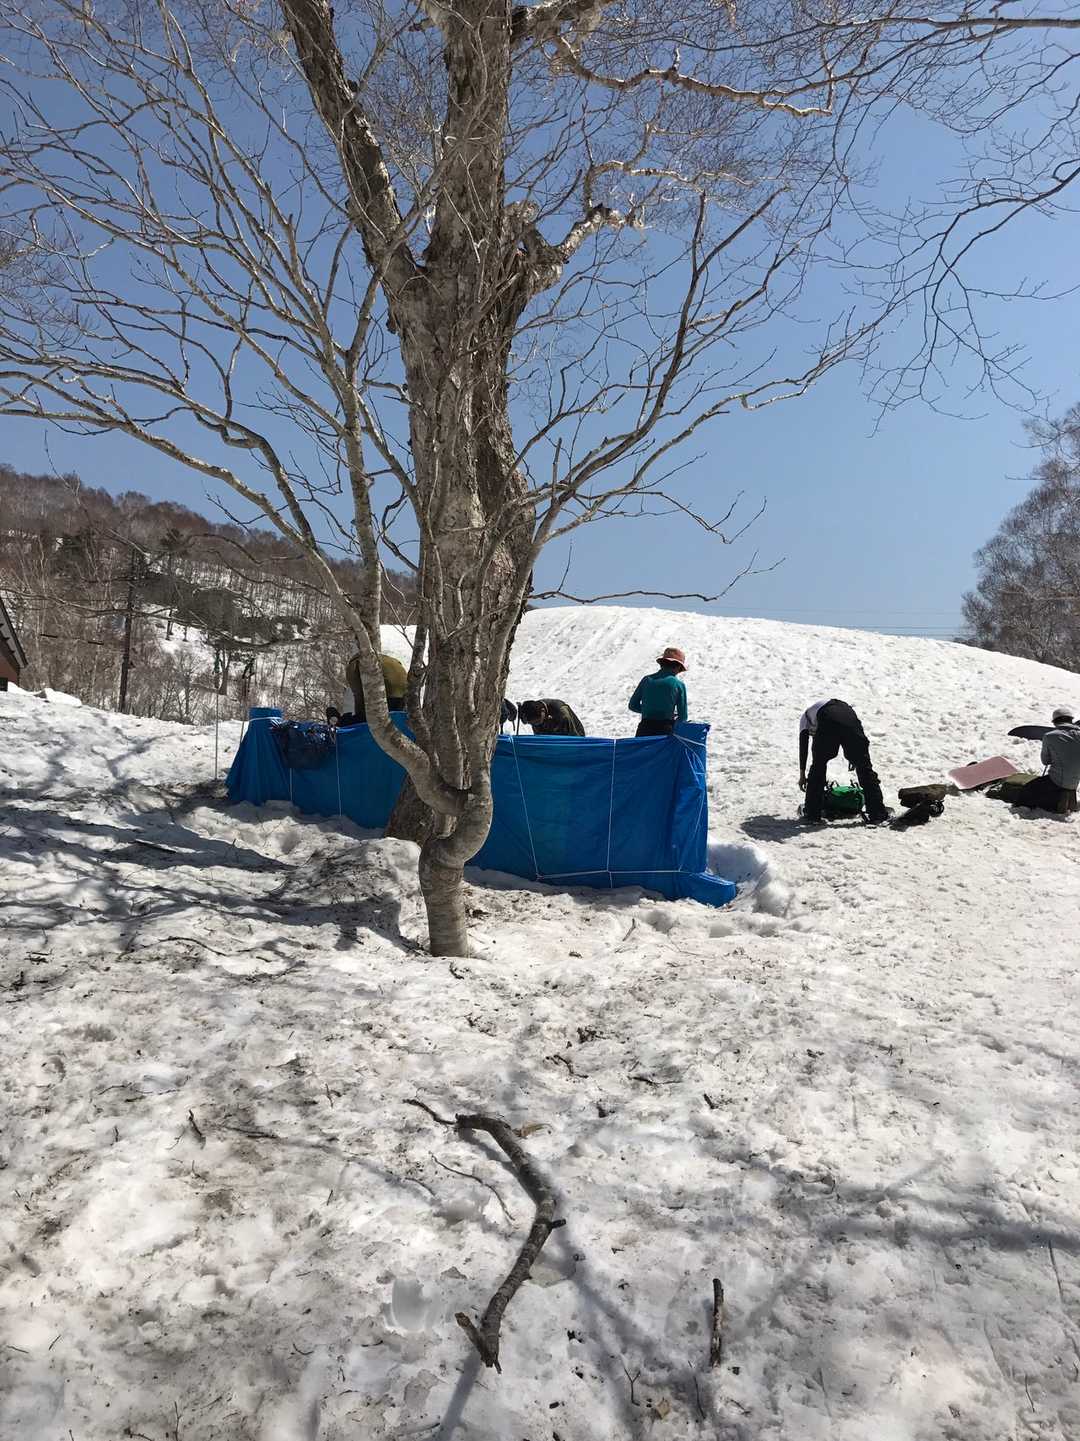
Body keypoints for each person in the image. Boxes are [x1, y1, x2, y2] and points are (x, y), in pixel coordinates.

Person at [798, 698, 892, 824]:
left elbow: (803, 747)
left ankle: (812, 813)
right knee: (864, 767)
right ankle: (878, 813)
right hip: (850, 721)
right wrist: (854, 757)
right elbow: (855, 735)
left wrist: (802, 775)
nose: (813, 735)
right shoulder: (841, 708)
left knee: (818, 767)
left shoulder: (805, 718)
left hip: (828, 719)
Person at [1014, 706, 1080, 813]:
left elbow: (1045, 761)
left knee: (1027, 790)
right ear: (1071, 720)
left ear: (1055, 722)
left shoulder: (1050, 736)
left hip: (1056, 780)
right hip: (1075, 781)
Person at [628, 647, 688, 737]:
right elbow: (683, 717)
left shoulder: (647, 680)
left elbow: (632, 705)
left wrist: (648, 710)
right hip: (665, 731)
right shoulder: (679, 684)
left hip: (644, 730)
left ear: (662, 664)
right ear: (678, 667)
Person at [344, 652, 408, 722]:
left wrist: (359, 718)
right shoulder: (388, 659)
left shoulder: (354, 664)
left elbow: (358, 695)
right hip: (404, 690)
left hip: (388, 691)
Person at [517, 698, 586, 736]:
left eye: (538, 722)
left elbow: (574, 737)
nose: (536, 725)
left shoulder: (562, 713)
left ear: (543, 711)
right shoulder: (533, 710)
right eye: (533, 724)